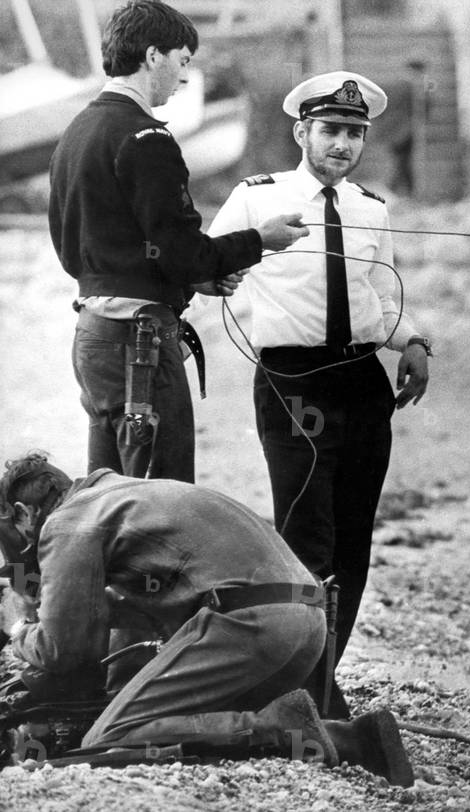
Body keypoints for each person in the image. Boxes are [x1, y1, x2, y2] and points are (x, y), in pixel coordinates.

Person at [206, 70, 431, 719]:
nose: (342, 145)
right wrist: (208, 283)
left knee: (355, 532)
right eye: (330, 130)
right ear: (301, 130)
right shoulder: (257, 198)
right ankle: (295, 681)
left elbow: (381, 295)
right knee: (308, 534)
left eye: (354, 134)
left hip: (362, 381)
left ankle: (325, 679)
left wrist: (411, 341)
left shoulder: (371, 208)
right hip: (291, 380)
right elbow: (207, 263)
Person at [0, 451, 414, 785]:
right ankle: (355, 739)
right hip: (307, 627)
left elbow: (64, 650)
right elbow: (137, 608)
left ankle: (279, 727)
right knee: (179, 723)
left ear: (23, 514)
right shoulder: (121, 495)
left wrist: (17, 625)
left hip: (251, 627)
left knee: (111, 738)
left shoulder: (67, 523)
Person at [48, 0, 308, 483]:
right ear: (153, 56)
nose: (184, 76)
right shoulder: (147, 137)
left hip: (92, 338)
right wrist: (262, 239)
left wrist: (185, 275)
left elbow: (77, 252)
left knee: (106, 498)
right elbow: (184, 254)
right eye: (183, 61)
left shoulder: (77, 130)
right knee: (160, 499)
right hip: (140, 344)